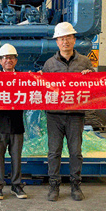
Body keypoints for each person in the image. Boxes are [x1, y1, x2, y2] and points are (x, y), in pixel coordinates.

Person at [42, 22, 94, 201]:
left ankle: (75, 185)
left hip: (75, 115)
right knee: (54, 152)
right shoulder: (49, 64)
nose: (65, 42)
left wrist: (90, 76)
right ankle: (53, 185)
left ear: (74, 39)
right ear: (57, 42)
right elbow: (43, 89)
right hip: (54, 116)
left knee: (75, 152)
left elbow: (96, 85)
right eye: (61, 38)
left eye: (68, 38)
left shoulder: (84, 62)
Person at [0, 44, 27, 200]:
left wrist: (39, 76)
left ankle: (16, 185)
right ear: (0, 61)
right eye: (5, 58)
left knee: (16, 157)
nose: (8, 60)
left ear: (16, 60)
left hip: (16, 124)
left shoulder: (25, 78)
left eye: (11, 58)